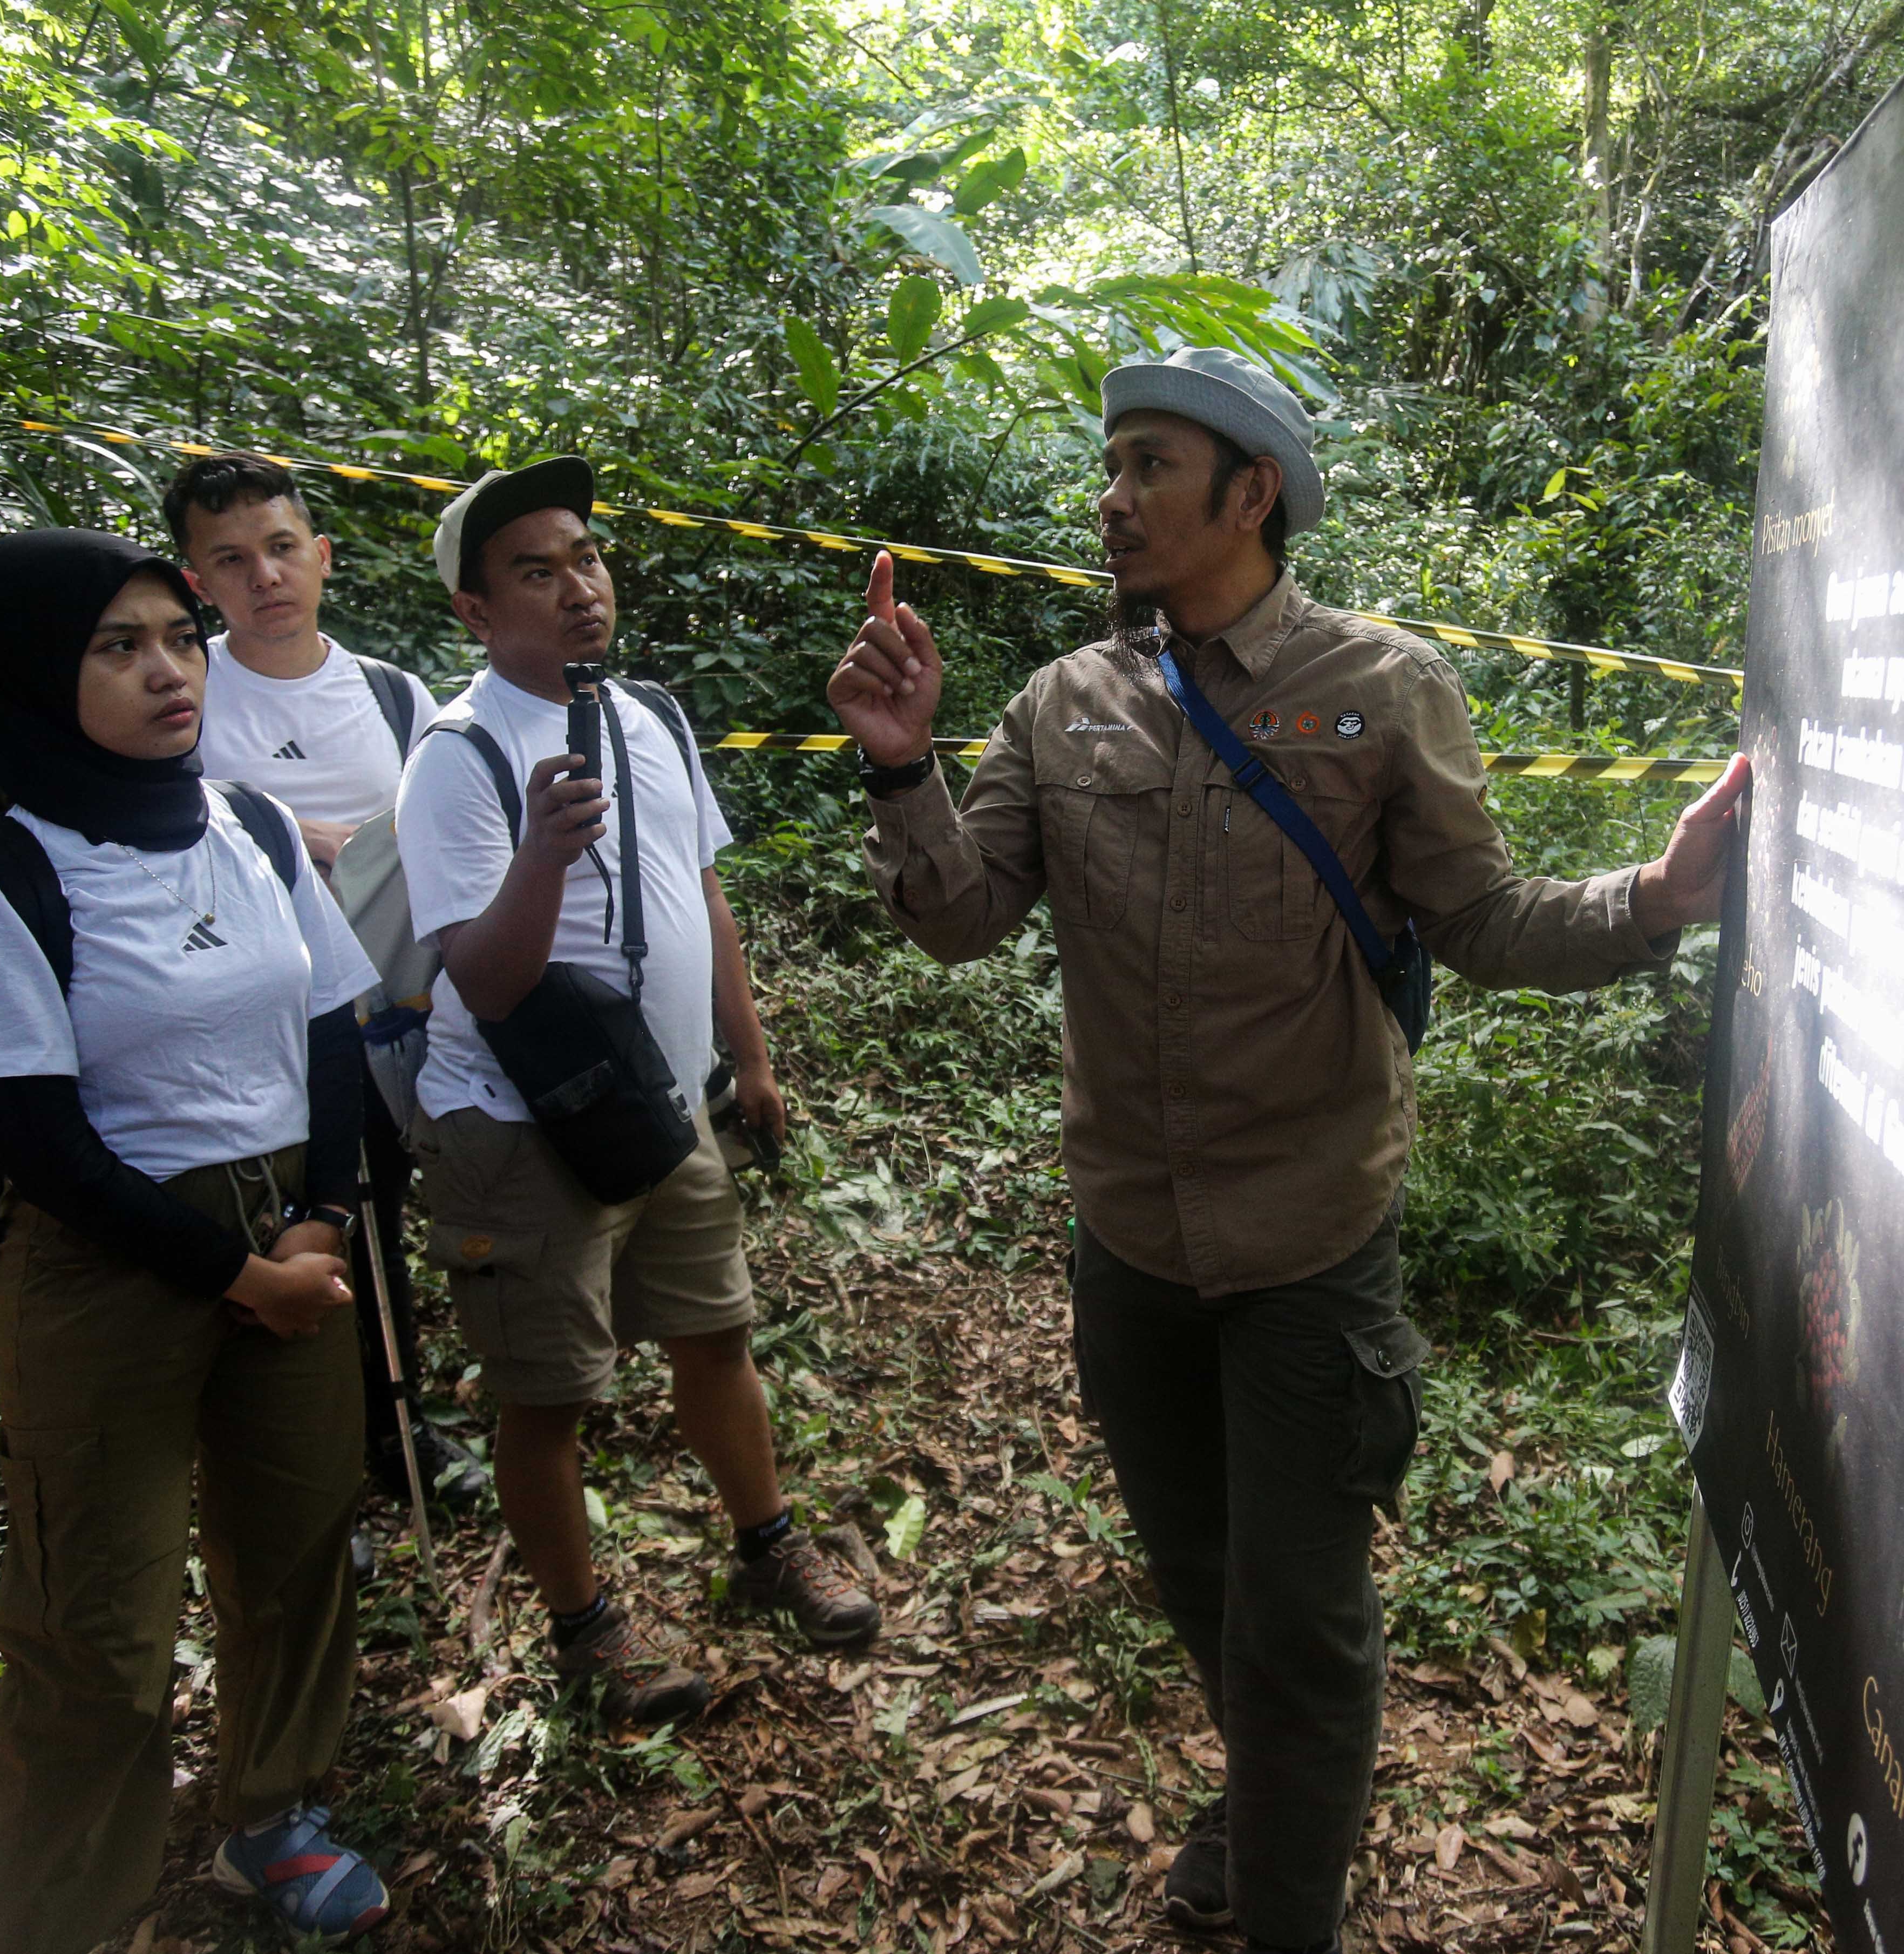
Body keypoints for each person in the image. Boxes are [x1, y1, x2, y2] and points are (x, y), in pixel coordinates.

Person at [829, 347, 1748, 1954]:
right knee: (1203, 1579)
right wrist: (899, 765)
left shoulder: (1378, 689)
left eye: (1150, 468)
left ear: (1250, 494)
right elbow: (961, 920)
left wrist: (1654, 902)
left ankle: (1286, 1914)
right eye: (1108, 466)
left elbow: (1476, 915)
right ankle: (1261, 1793)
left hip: (1308, 1252)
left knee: (1304, 1623)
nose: (1111, 500)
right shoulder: (1059, 705)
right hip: (1128, 1243)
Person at [0, 530, 394, 1947]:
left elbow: (328, 1022)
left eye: (176, 637)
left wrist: (320, 1213)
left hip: (282, 1233)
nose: (167, 669)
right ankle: (68, 1910)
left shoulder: (242, 824)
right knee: (96, 1629)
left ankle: (270, 1817)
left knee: (297, 1544)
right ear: (34, 676)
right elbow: (41, 1144)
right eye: (116, 646)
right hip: (105, 1268)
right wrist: (240, 1272)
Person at [395, 456, 879, 1725]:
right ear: (474, 612)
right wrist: (544, 855)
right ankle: (582, 1629)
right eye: (533, 572)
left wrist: (751, 1056)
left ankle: (768, 1544)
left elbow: (701, 891)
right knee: (546, 1393)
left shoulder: (650, 715)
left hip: (663, 1103)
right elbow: (487, 983)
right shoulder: (456, 758)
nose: (575, 589)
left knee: (714, 1332)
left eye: (587, 559)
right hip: (518, 1124)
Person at [162, 452, 488, 1554]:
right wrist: (281, 834)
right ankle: (305, 1470)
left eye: (283, 547)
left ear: (324, 557)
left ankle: (398, 1431)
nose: (266, 577)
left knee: (382, 1220)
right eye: (233, 560)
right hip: (249, 1025)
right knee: (281, 1233)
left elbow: (456, 827)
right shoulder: (183, 693)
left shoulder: (395, 695)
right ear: (198, 581)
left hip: (393, 1014)